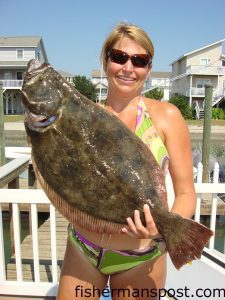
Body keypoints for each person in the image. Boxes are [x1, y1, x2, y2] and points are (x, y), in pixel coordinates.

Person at [57, 23, 196, 300]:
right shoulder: (84, 116)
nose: (128, 68)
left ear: (148, 67)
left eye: (139, 60)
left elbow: (186, 193)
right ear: (106, 60)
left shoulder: (167, 116)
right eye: (119, 57)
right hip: (83, 248)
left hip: (141, 256)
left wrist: (162, 228)